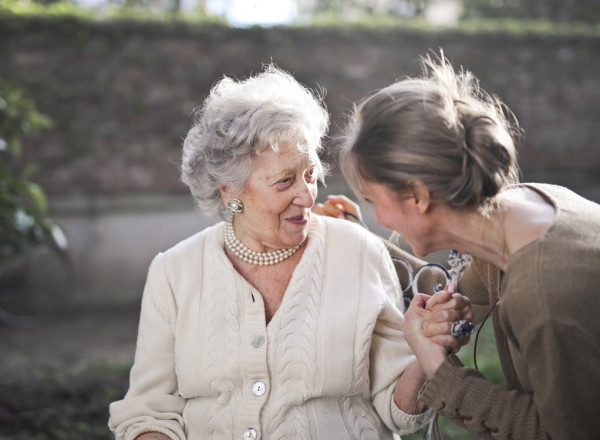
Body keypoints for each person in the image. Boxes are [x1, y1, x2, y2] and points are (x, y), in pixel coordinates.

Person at [108, 65, 472, 440]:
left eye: (310, 174)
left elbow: (399, 412)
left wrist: (426, 351)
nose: (307, 195)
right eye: (285, 180)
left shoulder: (357, 252)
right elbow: (148, 411)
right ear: (229, 190)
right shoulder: (174, 271)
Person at [329, 52, 600, 439]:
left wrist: (441, 372)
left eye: (373, 201)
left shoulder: (542, 295)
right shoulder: (527, 206)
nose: (381, 219)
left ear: (419, 197)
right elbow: (460, 290)